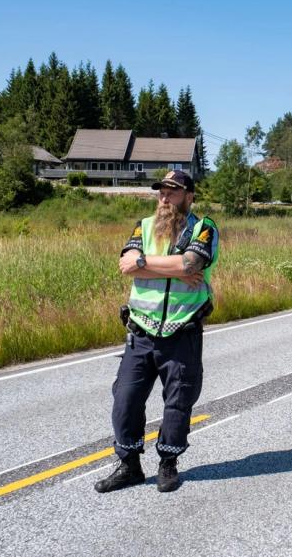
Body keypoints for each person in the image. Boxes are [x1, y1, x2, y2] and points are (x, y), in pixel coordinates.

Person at [95, 170, 219, 494]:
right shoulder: (144, 226)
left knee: (178, 403)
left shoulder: (204, 228)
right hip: (141, 331)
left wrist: (148, 263)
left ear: (189, 196)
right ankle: (129, 465)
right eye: (162, 191)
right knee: (125, 398)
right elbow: (126, 263)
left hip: (182, 330)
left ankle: (168, 463)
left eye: (173, 192)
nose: (164, 198)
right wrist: (163, 265)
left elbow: (191, 265)